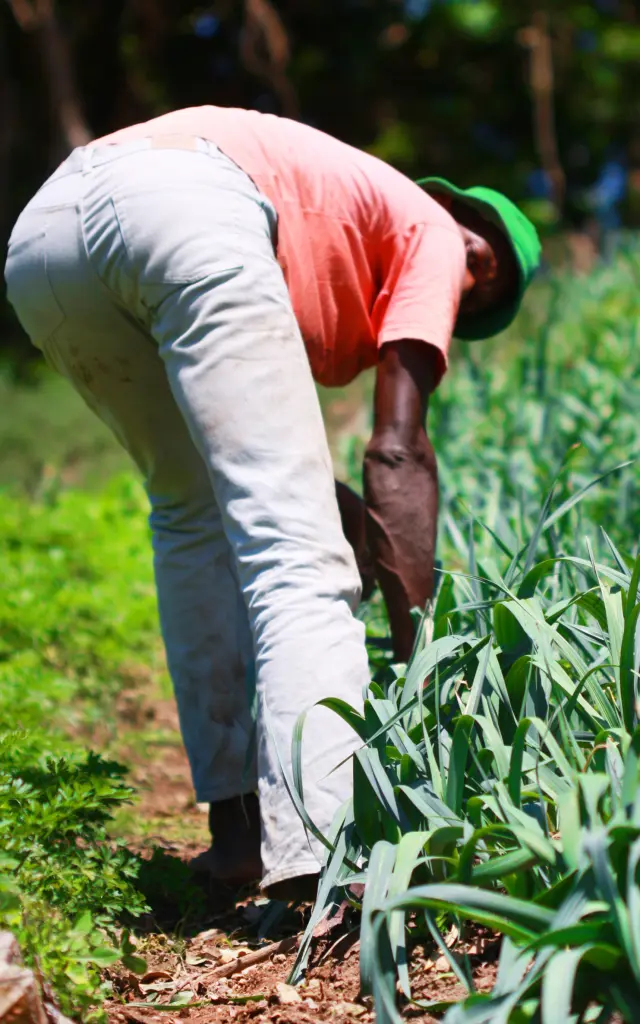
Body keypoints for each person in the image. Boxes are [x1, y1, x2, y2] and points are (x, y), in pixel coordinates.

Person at [4, 106, 540, 902]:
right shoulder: (435, 233)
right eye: (472, 280)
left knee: (190, 517)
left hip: (43, 239)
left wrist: (357, 521)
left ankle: (238, 840)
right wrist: (419, 655)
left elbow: (249, 463)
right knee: (300, 553)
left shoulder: (343, 219)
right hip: (183, 201)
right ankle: (328, 862)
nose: (453, 301)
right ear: (479, 260)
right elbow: (397, 451)